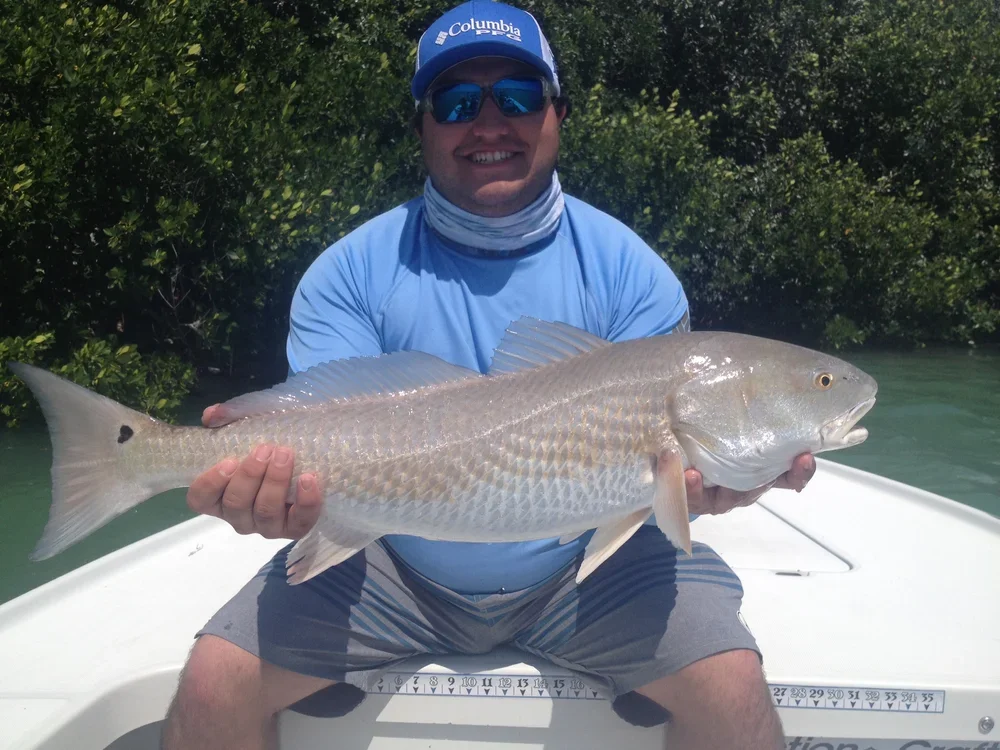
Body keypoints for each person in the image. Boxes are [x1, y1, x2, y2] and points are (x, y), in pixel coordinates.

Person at [162, 2, 815, 748]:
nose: (489, 124)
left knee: (731, 686)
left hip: (589, 568)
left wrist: (710, 486)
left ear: (557, 112)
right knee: (216, 681)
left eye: (517, 96)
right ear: (421, 126)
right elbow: (325, 445)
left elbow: (658, 484)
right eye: (457, 102)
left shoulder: (633, 275)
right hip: (388, 561)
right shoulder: (348, 273)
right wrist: (281, 497)